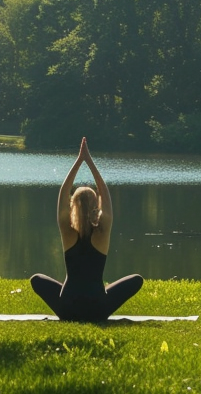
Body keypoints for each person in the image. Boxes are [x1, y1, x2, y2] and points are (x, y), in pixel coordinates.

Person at [29, 138, 144, 322]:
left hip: (67, 307)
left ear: (72, 205)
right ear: (95, 206)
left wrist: (78, 161)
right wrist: (89, 161)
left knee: (36, 279)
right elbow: (105, 195)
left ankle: (73, 298)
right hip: (98, 308)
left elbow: (62, 194)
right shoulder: (102, 232)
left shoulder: (67, 232)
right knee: (136, 279)